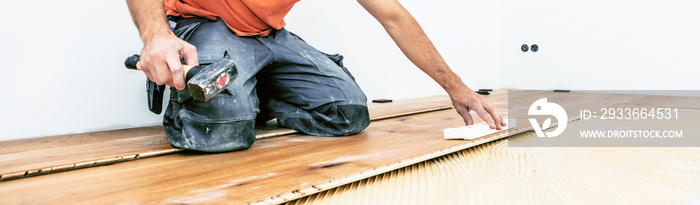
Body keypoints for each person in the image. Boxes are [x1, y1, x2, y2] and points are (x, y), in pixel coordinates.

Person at [126, 0, 506, 152]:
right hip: (204, 24)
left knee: (348, 113)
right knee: (222, 135)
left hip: (269, 36)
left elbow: (395, 18)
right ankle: (219, 101)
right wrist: (156, 36)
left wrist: (456, 88)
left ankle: (251, 88)